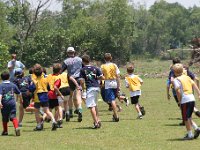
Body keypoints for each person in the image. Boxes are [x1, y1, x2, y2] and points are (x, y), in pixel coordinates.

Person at [167, 58, 200, 126]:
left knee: (182, 105)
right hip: (188, 88)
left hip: (178, 89)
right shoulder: (184, 68)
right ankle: (196, 112)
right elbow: (194, 78)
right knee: (188, 105)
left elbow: (171, 80)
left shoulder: (174, 70)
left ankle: (185, 121)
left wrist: (169, 90)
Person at [173, 63, 200, 140]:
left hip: (185, 100)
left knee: (185, 119)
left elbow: (178, 91)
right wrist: (199, 93)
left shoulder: (176, 80)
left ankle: (190, 135)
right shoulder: (187, 77)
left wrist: (179, 100)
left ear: (174, 72)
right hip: (192, 99)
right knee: (189, 117)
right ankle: (197, 128)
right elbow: (194, 84)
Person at [30, 64, 58, 131]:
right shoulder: (45, 78)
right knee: (47, 111)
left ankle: (39, 125)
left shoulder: (34, 79)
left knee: (36, 111)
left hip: (37, 96)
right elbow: (48, 87)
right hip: (45, 95)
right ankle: (54, 121)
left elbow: (32, 88)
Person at [79, 55, 104, 128]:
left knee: (91, 106)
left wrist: (83, 88)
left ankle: (96, 123)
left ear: (83, 62)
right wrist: (97, 79)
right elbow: (102, 77)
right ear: (89, 60)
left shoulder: (82, 69)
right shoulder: (96, 68)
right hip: (96, 87)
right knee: (95, 104)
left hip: (90, 88)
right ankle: (98, 119)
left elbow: (81, 80)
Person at [61, 46, 83, 122]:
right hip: (79, 79)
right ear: (74, 52)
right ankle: (79, 109)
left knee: (70, 96)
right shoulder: (80, 59)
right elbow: (84, 68)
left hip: (70, 79)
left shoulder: (66, 61)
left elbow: (60, 71)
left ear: (67, 53)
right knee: (78, 95)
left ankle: (70, 111)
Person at [0, 71, 23, 136]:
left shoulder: (1, 85)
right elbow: (19, 93)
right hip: (12, 103)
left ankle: (5, 131)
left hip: (4, 103)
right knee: (13, 116)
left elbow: (0, 95)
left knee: (4, 117)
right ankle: (16, 127)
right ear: (9, 77)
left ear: (1, 78)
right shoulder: (13, 84)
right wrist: (21, 100)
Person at [101, 53, 120, 122]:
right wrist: (119, 85)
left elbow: (101, 76)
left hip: (108, 83)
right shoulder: (114, 65)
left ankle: (116, 116)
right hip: (114, 82)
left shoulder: (103, 66)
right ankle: (114, 115)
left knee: (111, 100)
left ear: (104, 59)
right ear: (111, 58)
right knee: (113, 99)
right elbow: (118, 76)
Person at [47, 63, 64, 128]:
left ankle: (52, 120)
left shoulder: (49, 76)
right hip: (53, 94)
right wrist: (61, 94)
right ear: (59, 70)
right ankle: (58, 120)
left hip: (47, 93)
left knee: (50, 109)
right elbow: (55, 87)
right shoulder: (58, 78)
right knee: (57, 108)